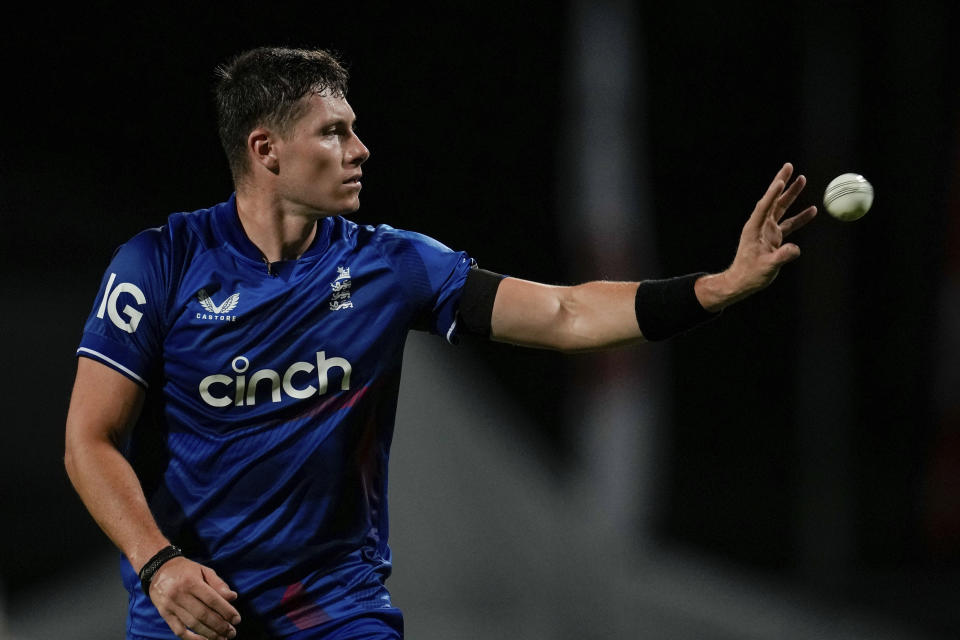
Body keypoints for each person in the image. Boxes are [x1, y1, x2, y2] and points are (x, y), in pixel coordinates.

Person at [63, 46, 817, 640]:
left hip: (335, 610)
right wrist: (157, 563)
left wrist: (713, 289)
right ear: (267, 151)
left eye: (355, 127)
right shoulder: (159, 262)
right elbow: (89, 440)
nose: (360, 149)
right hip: (192, 606)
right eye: (335, 131)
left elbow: (562, 314)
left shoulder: (390, 264)